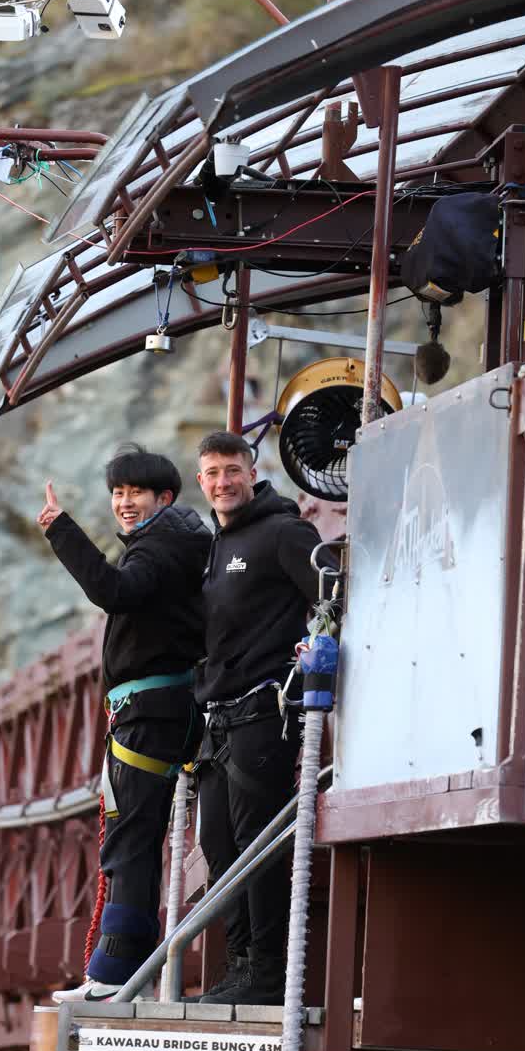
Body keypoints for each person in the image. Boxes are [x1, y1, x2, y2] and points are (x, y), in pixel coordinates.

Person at [37, 443, 210, 1002]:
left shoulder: (159, 548)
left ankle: (115, 973)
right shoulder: (177, 540)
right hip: (160, 708)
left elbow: (114, 591)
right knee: (134, 836)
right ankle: (122, 969)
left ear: (165, 498)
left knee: (130, 839)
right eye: (117, 492)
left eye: (136, 492)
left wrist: (62, 530)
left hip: (148, 714)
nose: (124, 502)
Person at [194, 431, 325, 1006]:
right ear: (200, 482)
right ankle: (241, 966)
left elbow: (334, 598)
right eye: (212, 473)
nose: (222, 482)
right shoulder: (216, 545)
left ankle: (268, 973)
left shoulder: (283, 532)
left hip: (264, 712)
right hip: (218, 719)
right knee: (220, 847)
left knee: (258, 845)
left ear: (252, 471)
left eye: (232, 470)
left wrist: (315, 650)